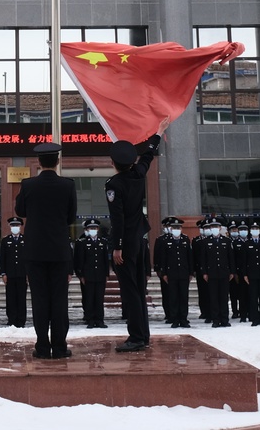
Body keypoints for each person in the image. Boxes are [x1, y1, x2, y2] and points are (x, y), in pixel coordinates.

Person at [106, 118, 169, 353]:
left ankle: (136, 337)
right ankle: (143, 334)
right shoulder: (139, 173)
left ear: (113, 163)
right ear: (132, 162)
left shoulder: (114, 185)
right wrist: (158, 132)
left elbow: (118, 218)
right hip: (141, 239)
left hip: (126, 244)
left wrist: (117, 246)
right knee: (138, 289)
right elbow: (148, 155)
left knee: (130, 290)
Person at [15, 141, 77, 359]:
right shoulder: (68, 185)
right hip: (59, 251)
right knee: (59, 300)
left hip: (35, 252)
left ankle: (42, 346)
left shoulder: (28, 184)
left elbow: (20, 211)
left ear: (39, 162)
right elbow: (71, 217)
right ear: (57, 161)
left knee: (39, 299)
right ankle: (59, 347)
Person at [155, 216, 192, 328]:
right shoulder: (166, 241)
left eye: (178, 227)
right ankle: (174, 319)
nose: (176, 229)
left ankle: (183, 319)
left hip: (183, 273)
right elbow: (163, 258)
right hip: (172, 273)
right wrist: (164, 273)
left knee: (184, 297)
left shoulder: (185, 239)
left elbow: (189, 257)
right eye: (174, 227)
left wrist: (191, 272)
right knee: (173, 297)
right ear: (171, 229)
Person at [73, 218, 110, 328]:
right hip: (88, 275)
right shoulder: (83, 242)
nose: (93, 230)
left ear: (98, 229)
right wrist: (80, 275)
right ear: (87, 230)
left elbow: (105, 259)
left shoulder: (103, 242)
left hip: (100, 274)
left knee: (99, 298)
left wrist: (107, 274)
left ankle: (99, 319)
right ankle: (90, 319)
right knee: (89, 298)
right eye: (90, 228)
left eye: (94, 228)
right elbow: (80, 259)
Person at [200, 217, 233, 328]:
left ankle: (224, 319)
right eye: (212, 227)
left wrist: (232, 271)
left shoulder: (226, 241)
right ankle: (216, 319)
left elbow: (230, 258)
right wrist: (204, 272)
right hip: (212, 273)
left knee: (224, 297)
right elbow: (203, 259)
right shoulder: (206, 241)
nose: (214, 228)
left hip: (224, 273)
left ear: (220, 228)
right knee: (213, 297)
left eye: (216, 226)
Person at [239, 221, 260, 326]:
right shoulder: (247, 243)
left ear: (259, 231)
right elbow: (244, 261)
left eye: (256, 229)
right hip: (251, 274)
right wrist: (245, 274)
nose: (255, 231)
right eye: (253, 229)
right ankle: (255, 318)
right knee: (253, 298)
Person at [0, 216, 28, 327]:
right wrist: (3, 273)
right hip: (10, 274)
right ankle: (11, 319)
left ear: (20, 226)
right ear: (9, 227)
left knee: (21, 298)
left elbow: (28, 258)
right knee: (10, 298)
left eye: (17, 225)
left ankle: (21, 320)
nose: (15, 227)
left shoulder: (26, 240)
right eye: (13, 225)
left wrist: (28, 273)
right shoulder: (5, 241)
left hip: (22, 274)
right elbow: (3, 259)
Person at [152, 217, 173, 323]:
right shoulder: (160, 239)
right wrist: (158, 269)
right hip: (164, 271)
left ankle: (177, 314)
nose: (169, 228)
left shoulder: (182, 239)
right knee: (166, 293)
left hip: (177, 270)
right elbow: (157, 255)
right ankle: (168, 314)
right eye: (167, 226)